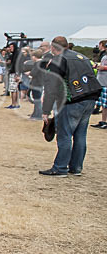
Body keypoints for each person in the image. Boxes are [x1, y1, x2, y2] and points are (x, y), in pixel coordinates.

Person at [39, 36, 102, 176]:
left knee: (64, 134)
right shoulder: (82, 56)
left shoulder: (58, 60)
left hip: (73, 99)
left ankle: (60, 168)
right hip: (90, 97)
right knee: (80, 134)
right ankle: (76, 167)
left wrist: (46, 111)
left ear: (53, 48)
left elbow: (51, 86)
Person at [90, 39, 107, 129]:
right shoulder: (104, 55)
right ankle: (103, 121)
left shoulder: (105, 56)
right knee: (103, 104)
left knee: (105, 104)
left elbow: (104, 67)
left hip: (105, 82)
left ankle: (104, 122)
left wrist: (99, 67)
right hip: (102, 82)